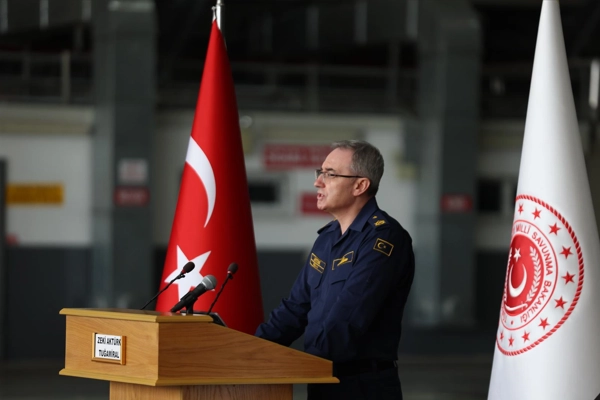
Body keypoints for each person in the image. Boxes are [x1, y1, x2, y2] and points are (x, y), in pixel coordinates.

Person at [256, 140, 415, 400]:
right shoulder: (327, 238)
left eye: (330, 174)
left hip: (362, 387)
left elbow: (349, 317)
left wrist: (303, 363)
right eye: (320, 173)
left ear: (360, 186)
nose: (318, 182)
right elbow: (295, 308)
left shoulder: (384, 238)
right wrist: (252, 350)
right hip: (322, 379)